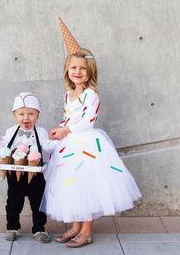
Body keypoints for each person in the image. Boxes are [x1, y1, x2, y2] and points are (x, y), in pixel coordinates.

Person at [40, 18, 142, 248]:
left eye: (82, 68)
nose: (78, 72)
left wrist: (67, 129)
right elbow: (69, 117)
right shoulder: (69, 93)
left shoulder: (91, 95)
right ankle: (75, 227)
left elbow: (87, 121)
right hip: (69, 144)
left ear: (89, 72)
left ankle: (86, 231)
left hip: (87, 145)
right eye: (73, 68)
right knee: (73, 186)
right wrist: (60, 130)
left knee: (86, 187)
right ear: (67, 70)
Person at [0, 92, 58, 243]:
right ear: (14, 115)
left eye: (31, 114)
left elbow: (46, 147)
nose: (26, 118)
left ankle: (39, 229)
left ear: (37, 115)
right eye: (21, 114)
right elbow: (4, 149)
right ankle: (12, 228)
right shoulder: (10, 131)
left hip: (37, 174)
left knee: (38, 204)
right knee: (13, 203)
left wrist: (57, 142)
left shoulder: (41, 131)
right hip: (15, 174)